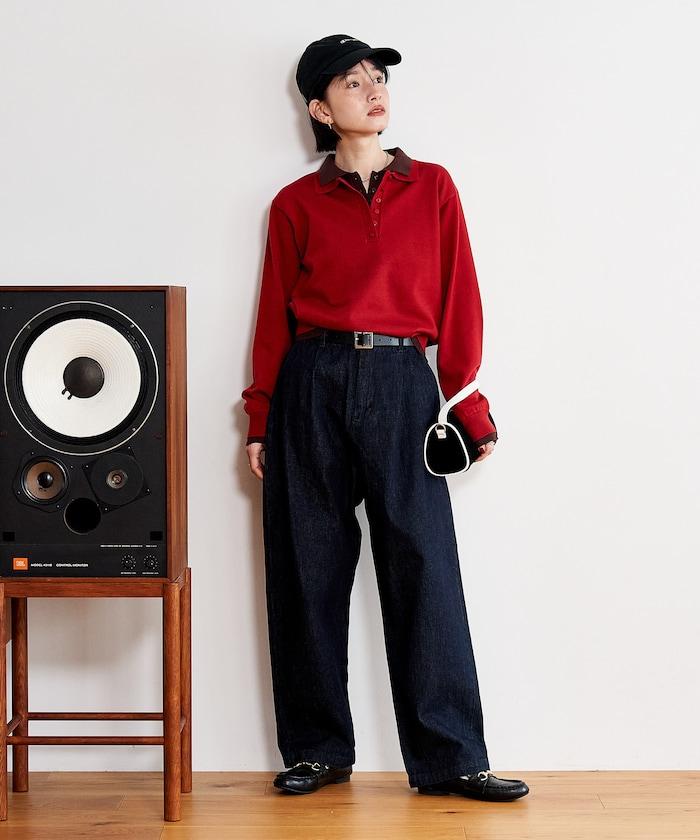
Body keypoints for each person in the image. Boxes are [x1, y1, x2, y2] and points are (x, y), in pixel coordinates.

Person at [242, 34, 529, 802]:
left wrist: (469, 405)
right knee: (306, 567)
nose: (373, 91)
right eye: (352, 82)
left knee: (424, 566)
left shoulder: (432, 186)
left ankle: (451, 757)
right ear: (318, 108)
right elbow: (272, 317)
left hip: (404, 381)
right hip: (311, 382)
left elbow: (460, 299)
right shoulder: (295, 204)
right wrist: (261, 417)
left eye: (378, 79)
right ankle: (317, 750)